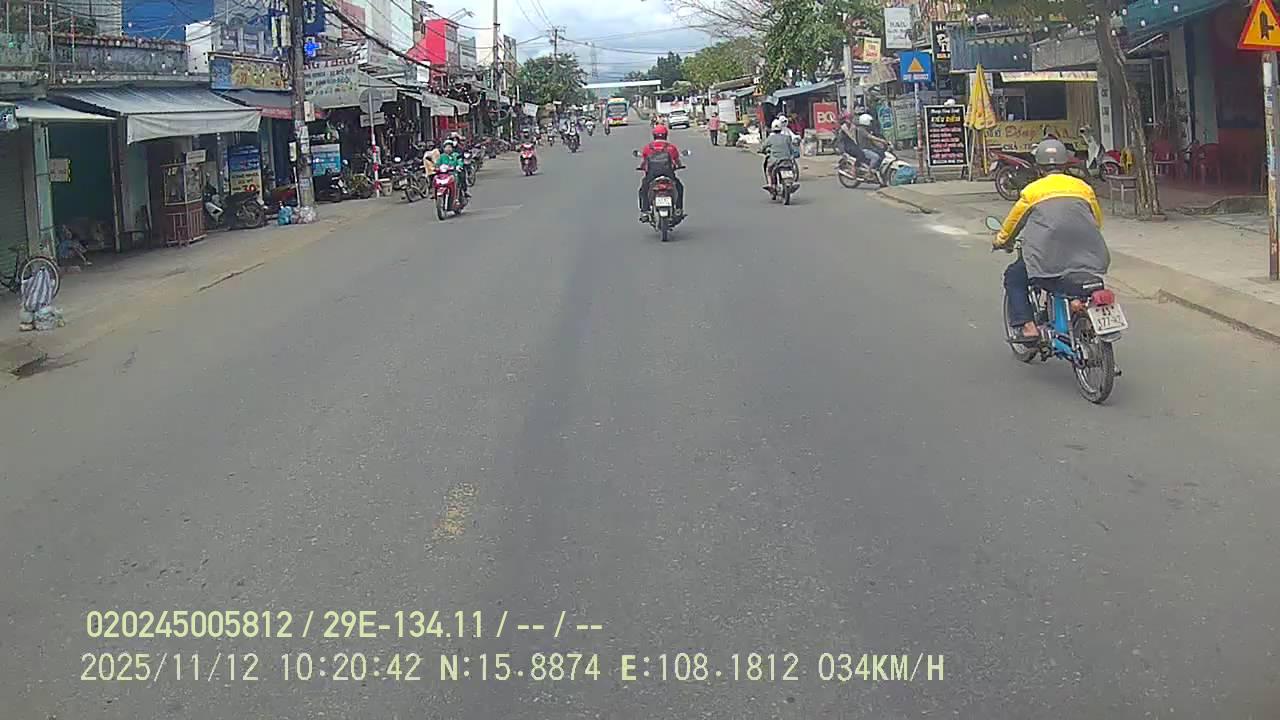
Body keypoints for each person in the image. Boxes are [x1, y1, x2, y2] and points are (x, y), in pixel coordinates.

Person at [994, 139, 1110, 341]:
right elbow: (1097, 221)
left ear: (1039, 166)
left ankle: (1029, 327)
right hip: (1088, 257)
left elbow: (1013, 223)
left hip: (1046, 259)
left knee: (1014, 276)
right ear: (1065, 163)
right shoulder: (1083, 188)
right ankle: (1075, 306)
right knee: (1070, 279)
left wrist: (1001, 241)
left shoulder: (1032, 191)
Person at [637, 124, 685, 222]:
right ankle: (678, 209)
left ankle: (645, 211)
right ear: (666, 135)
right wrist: (679, 166)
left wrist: (641, 168)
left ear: (654, 135)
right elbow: (676, 161)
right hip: (668, 174)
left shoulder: (648, 147)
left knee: (643, 190)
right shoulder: (671, 147)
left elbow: (644, 162)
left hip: (652, 175)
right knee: (679, 187)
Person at [759, 118, 796, 188]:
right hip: (787, 160)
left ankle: (770, 184)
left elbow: (762, 147)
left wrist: (760, 150)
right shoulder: (787, 138)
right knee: (791, 168)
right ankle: (791, 181)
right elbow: (792, 149)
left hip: (775, 161)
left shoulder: (770, 138)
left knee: (768, 170)